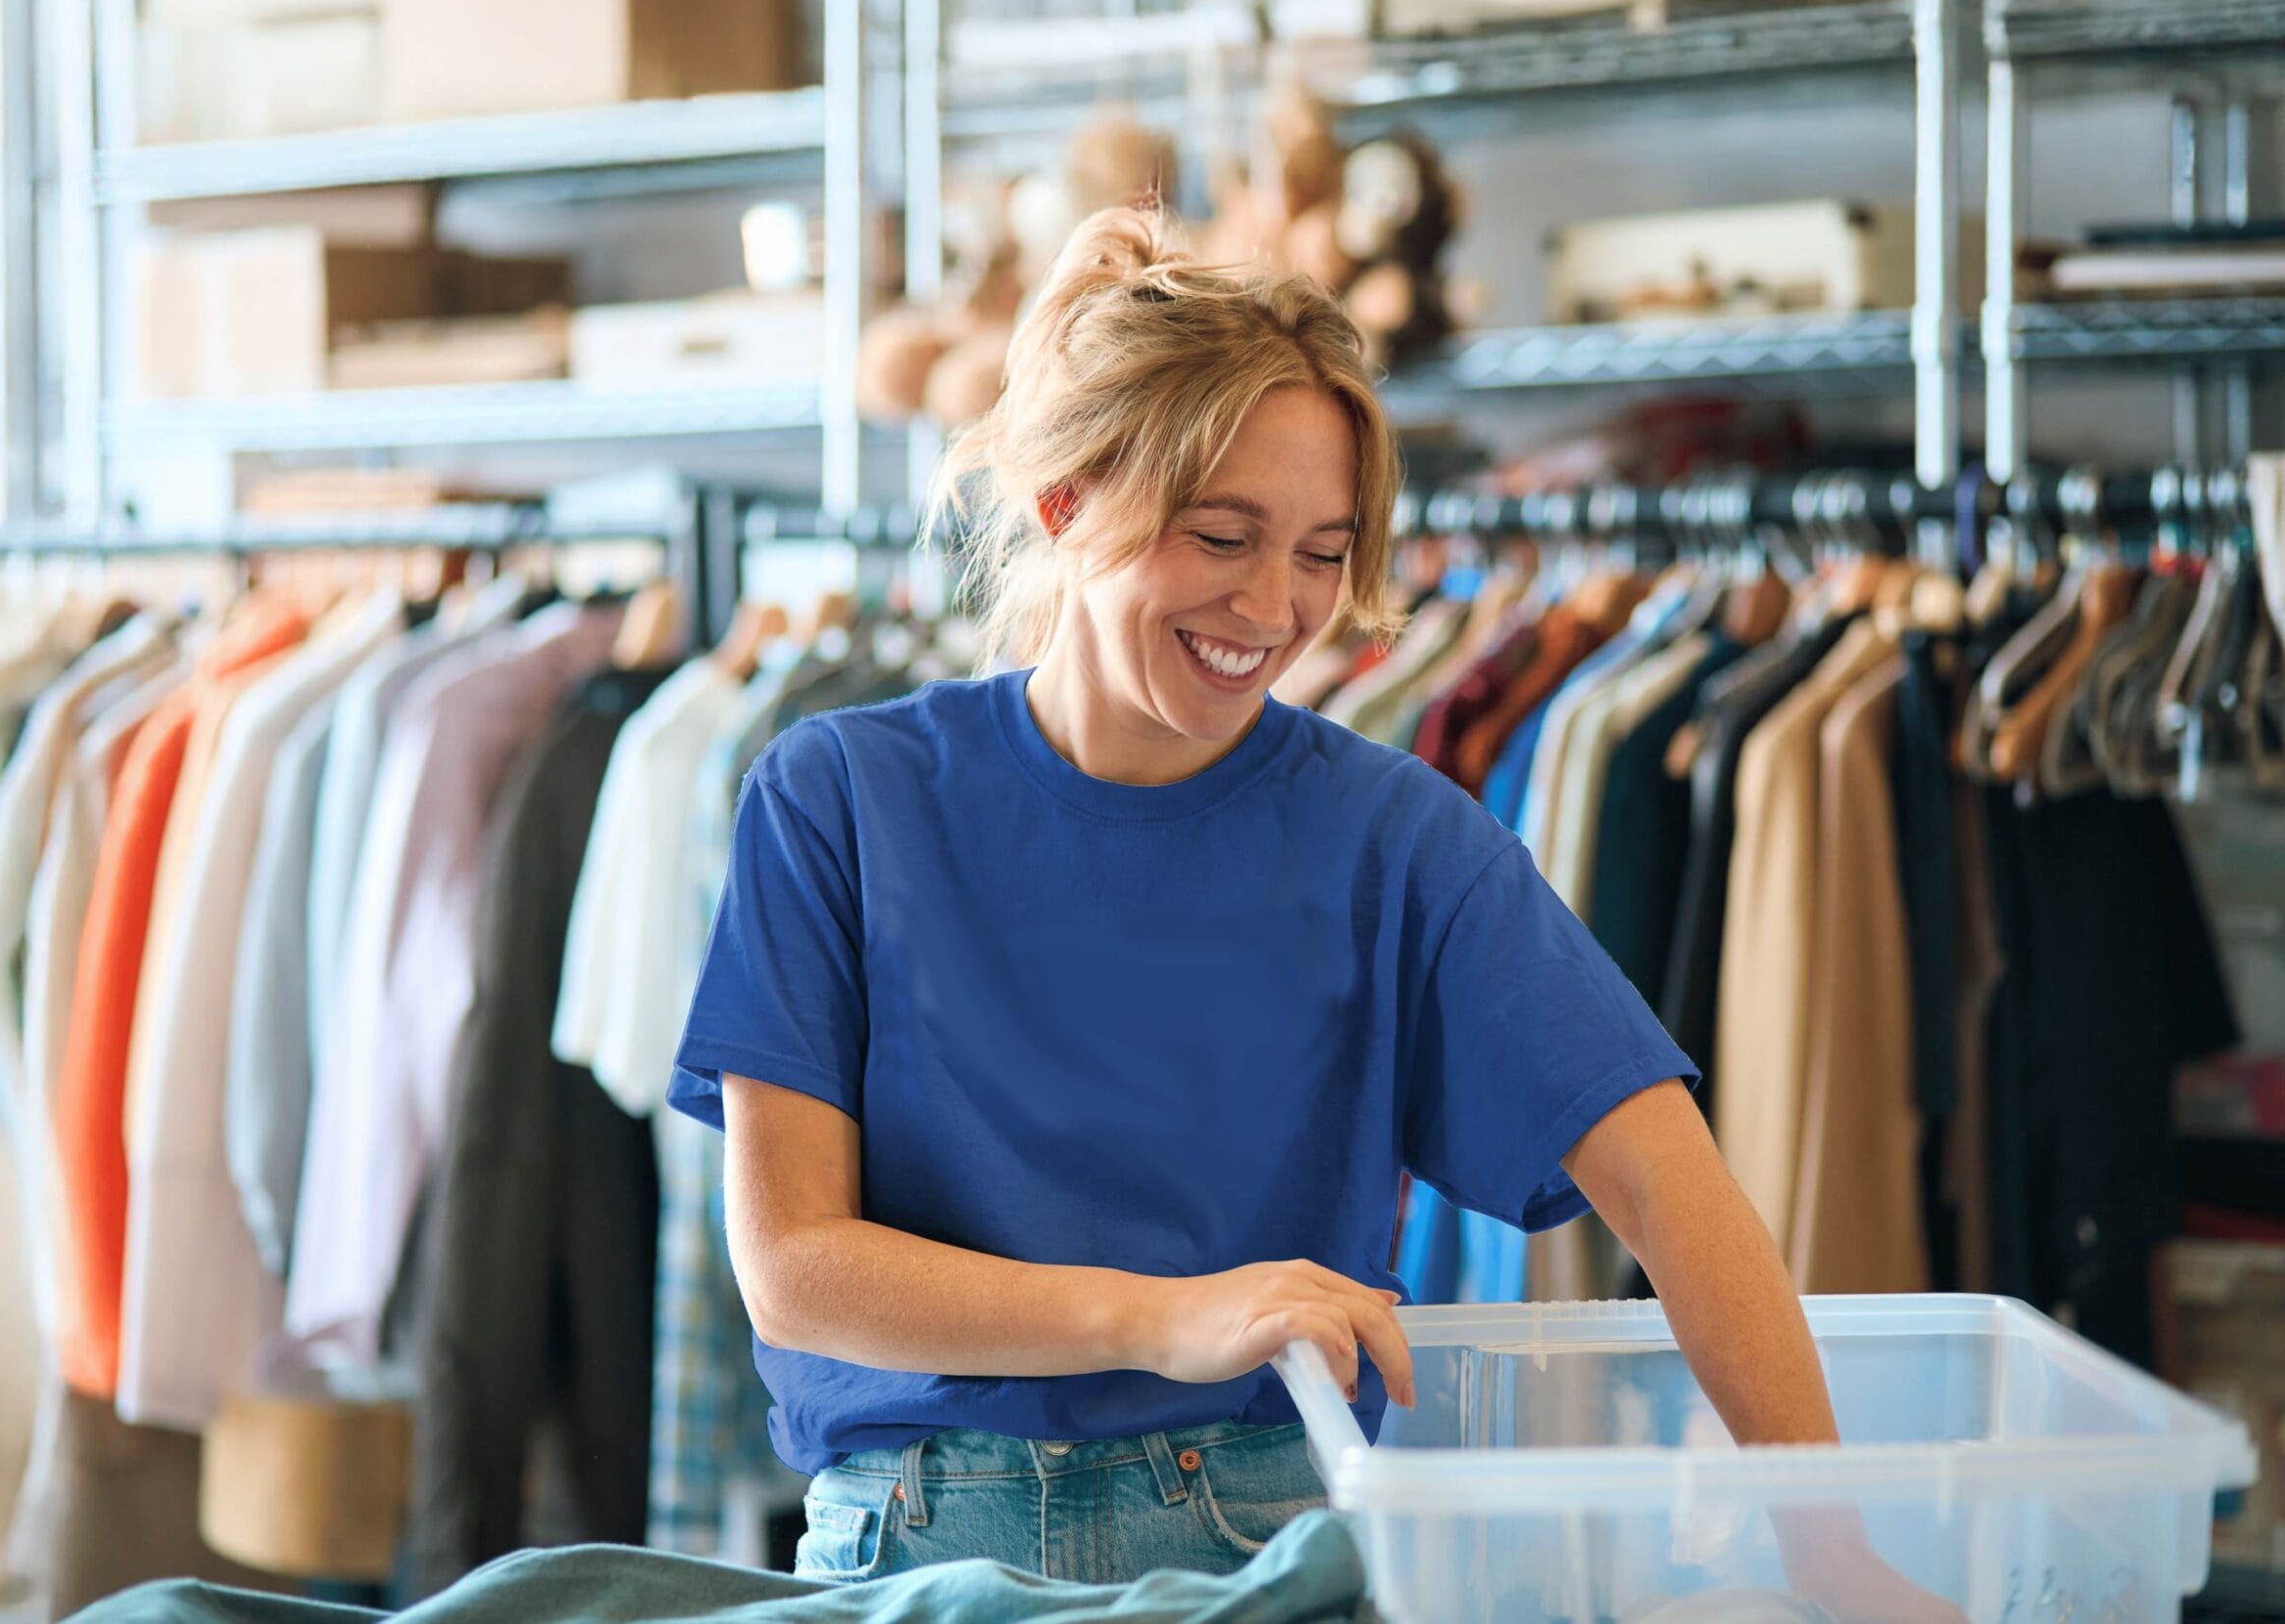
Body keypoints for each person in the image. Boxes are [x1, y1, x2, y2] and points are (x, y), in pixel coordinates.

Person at [666, 208, 1942, 1611]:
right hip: (916, 1542)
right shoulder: (838, 797)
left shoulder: (1395, 840)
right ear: (1065, 500)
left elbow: (1674, 1187)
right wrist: (1171, 1316)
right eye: (1225, 534)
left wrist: (1832, 1551)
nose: (1274, 607)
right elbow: (793, 1268)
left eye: (1324, 554)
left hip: (1261, 1546)